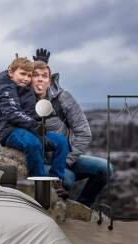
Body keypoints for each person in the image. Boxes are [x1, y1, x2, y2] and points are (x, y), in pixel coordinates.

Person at [31, 58, 113, 207]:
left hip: (65, 157)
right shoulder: (22, 101)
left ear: (50, 80)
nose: (40, 79)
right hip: (39, 161)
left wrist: (67, 160)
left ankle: (82, 208)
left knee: (105, 168)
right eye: (35, 75)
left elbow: (84, 132)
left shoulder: (63, 98)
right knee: (67, 179)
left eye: (44, 76)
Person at [0, 56, 69, 196]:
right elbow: (12, 113)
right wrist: (34, 125)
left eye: (29, 75)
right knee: (33, 144)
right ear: (10, 72)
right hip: (10, 131)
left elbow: (46, 84)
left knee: (61, 142)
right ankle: (40, 185)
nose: (26, 78)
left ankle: (56, 181)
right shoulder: (4, 88)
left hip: (28, 128)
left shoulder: (24, 87)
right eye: (22, 74)